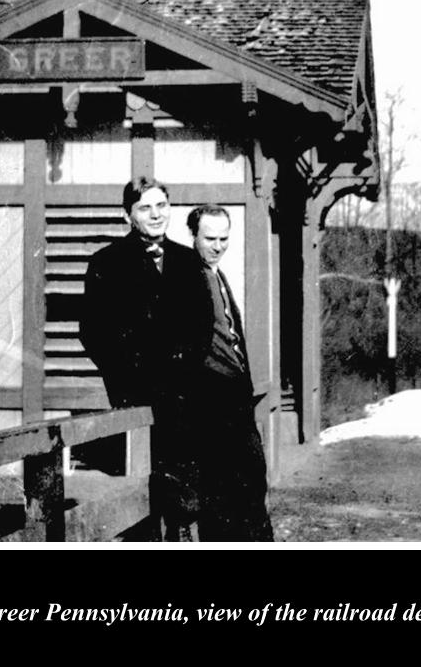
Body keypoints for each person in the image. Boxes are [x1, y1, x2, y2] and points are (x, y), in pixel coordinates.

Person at [79, 177, 205, 542]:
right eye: (145, 208)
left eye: (161, 206)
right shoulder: (107, 262)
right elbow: (92, 332)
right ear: (128, 215)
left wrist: (188, 376)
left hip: (182, 400)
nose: (155, 215)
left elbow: (202, 328)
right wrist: (125, 381)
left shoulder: (187, 260)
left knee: (181, 498)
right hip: (134, 398)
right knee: (138, 497)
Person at [184, 205, 275, 542]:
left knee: (253, 479)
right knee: (222, 495)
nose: (218, 246)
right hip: (209, 403)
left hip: (236, 399)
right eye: (210, 238)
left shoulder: (217, 275)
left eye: (224, 239)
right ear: (193, 236)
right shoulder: (187, 277)